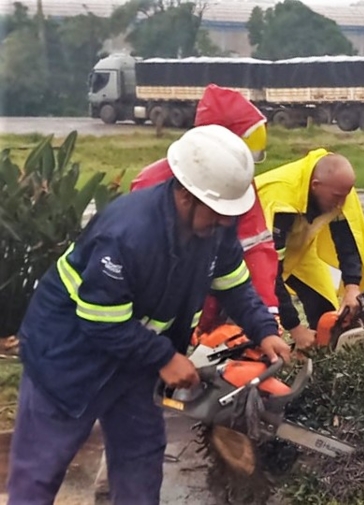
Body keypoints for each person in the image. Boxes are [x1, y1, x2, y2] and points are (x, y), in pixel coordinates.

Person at [7, 125, 292, 505]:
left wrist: (263, 329)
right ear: (187, 196)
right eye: (219, 212)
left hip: (135, 359)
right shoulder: (128, 233)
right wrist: (164, 357)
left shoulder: (216, 227)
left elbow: (234, 283)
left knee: (140, 463)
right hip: (68, 357)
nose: (226, 222)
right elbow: (100, 320)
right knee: (41, 471)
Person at [130, 84, 286, 342]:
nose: (224, 219)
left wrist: (267, 319)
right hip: (150, 330)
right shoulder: (150, 186)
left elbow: (254, 253)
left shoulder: (236, 186)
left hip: (208, 310)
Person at [254, 149, 364, 342]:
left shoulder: (340, 190)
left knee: (326, 310)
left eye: (345, 197)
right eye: (337, 197)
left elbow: (348, 241)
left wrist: (352, 287)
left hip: (299, 248)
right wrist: (295, 328)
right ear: (315, 186)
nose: (341, 203)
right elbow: (268, 269)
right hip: (252, 254)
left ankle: (321, 358)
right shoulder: (279, 199)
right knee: (250, 317)